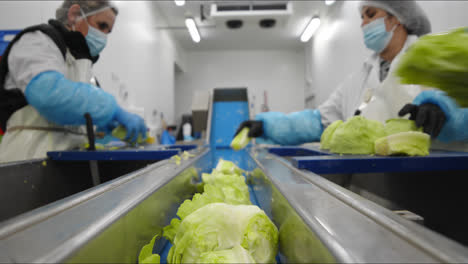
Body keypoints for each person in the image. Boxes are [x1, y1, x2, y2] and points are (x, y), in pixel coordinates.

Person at [234, 0, 431, 145]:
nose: (363, 24)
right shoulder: (359, 78)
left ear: (397, 19)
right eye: (361, 17)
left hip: (424, 180)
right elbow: (319, 121)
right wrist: (265, 125)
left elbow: (457, 112)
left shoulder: (428, 62)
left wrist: (442, 110)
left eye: (370, 14)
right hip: (368, 183)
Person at [0, 0, 147, 162]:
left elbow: (80, 107)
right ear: (75, 15)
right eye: (102, 25)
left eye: (108, 31)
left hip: (61, 164)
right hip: (27, 159)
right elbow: (49, 96)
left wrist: (106, 123)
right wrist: (112, 110)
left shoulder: (80, 63)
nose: (104, 36)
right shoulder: (37, 41)